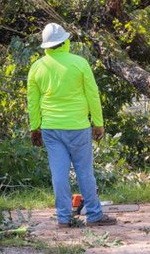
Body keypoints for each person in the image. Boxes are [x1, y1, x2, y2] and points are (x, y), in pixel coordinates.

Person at [27, 23, 116, 228]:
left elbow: (32, 102)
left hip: (50, 128)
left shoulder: (37, 67)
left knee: (58, 173)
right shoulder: (79, 63)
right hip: (78, 127)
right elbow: (92, 94)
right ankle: (94, 215)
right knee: (84, 171)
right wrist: (98, 123)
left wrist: (34, 128)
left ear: (46, 46)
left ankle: (63, 218)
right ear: (65, 42)